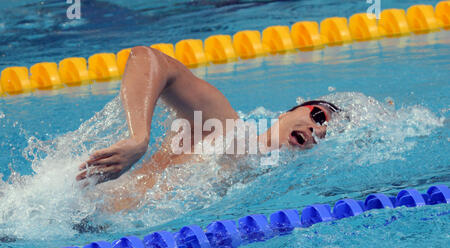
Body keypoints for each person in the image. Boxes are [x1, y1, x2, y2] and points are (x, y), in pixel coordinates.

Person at [76, 46, 340, 210]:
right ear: (288, 112)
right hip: (77, 208)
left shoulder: (260, 181)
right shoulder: (224, 126)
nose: (319, 130)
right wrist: (139, 138)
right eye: (318, 115)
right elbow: (147, 57)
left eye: (326, 132)